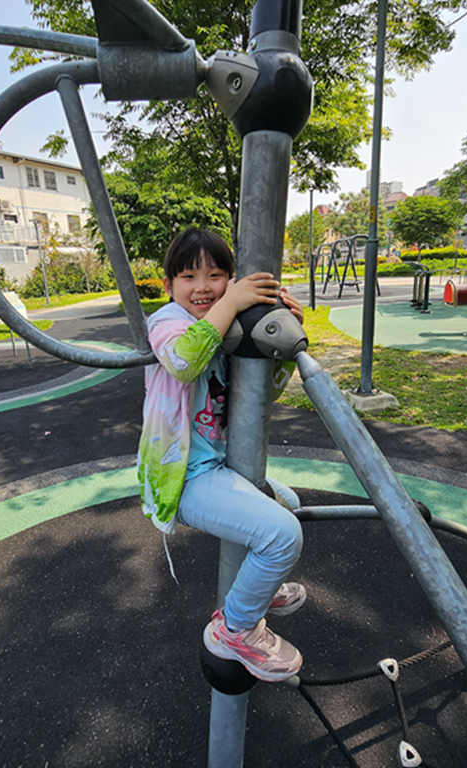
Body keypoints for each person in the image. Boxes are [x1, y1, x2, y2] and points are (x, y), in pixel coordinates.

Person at [137, 227, 307, 683]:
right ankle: (235, 629)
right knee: (281, 536)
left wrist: (283, 341)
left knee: (288, 504)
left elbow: (265, 394)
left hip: (216, 465)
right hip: (183, 478)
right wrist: (231, 302)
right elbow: (183, 362)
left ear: (230, 278)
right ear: (169, 284)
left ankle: (256, 591)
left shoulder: (226, 328)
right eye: (188, 276)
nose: (203, 287)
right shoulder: (168, 321)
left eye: (215, 275)